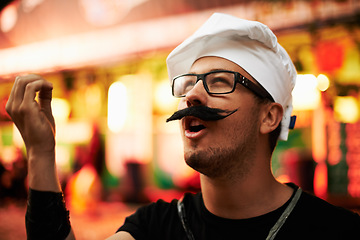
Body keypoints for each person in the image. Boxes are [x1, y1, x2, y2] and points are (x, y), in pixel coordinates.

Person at [5, 13, 360, 240]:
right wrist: (40, 154)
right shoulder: (154, 228)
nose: (192, 95)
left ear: (269, 116)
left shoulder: (334, 231)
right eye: (188, 83)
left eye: (220, 81)